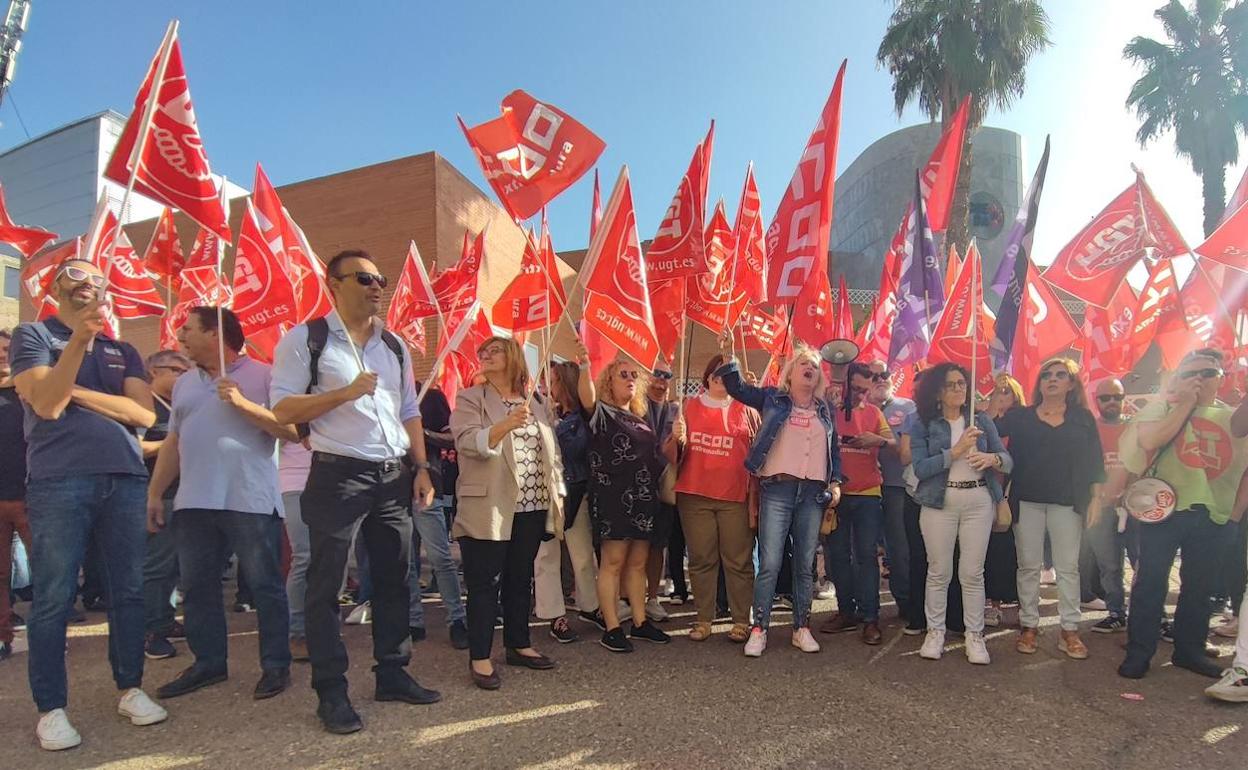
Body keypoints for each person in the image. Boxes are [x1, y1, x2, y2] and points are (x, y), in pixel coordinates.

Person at [271, 250, 439, 735]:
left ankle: (392, 672)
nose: (376, 286)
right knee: (325, 586)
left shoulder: (395, 346)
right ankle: (331, 692)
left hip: (393, 476)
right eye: (365, 278)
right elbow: (282, 408)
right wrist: (342, 393)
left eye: (379, 278)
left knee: (393, 579)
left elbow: (410, 409)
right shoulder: (307, 340)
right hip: (337, 474)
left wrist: (421, 467)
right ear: (334, 283)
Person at [10, 258, 167, 750]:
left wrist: (74, 388)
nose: (91, 283)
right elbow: (47, 405)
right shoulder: (32, 336)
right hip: (60, 481)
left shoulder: (123, 349)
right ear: (54, 287)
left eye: (99, 279)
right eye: (78, 276)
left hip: (124, 479)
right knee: (55, 596)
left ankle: (130, 687)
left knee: (129, 590)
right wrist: (77, 343)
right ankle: (51, 708)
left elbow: (141, 413)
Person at [146, 307, 296, 701]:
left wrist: (244, 405)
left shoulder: (265, 376)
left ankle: (276, 665)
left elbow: (292, 430)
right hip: (194, 501)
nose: (180, 335)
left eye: (189, 328)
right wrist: (155, 493)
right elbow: (173, 443)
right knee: (197, 588)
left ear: (216, 334)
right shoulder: (184, 386)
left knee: (265, 586)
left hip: (250, 500)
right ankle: (208, 663)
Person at [1119, 351, 1248, 679]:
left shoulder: (1233, 419)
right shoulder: (1161, 408)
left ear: (1220, 379)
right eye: (1191, 373)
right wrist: (1186, 404)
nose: (1199, 379)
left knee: (1199, 587)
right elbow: (1151, 439)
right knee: (1150, 582)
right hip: (1162, 511)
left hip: (1212, 514)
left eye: (1208, 373)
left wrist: (1234, 515)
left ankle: (1188, 650)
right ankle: (1140, 652)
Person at [449, 336, 564, 689]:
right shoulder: (471, 398)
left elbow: (551, 452)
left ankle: (518, 644)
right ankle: (480, 657)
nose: (484, 355)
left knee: (519, 578)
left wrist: (556, 492)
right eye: (482, 352)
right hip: (489, 507)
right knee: (485, 583)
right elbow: (467, 442)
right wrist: (504, 425)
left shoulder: (537, 402)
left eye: (493, 350)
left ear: (513, 357)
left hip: (531, 506)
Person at [717, 345, 843, 657]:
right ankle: (759, 628)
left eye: (814, 364)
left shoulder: (825, 410)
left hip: (813, 493)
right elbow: (738, 389)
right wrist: (730, 357)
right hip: (778, 490)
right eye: (803, 362)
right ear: (790, 372)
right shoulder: (772, 398)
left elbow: (834, 449)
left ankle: (802, 628)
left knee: (804, 565)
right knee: (770, 563)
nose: (810, 367)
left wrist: (836, 481)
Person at [998, 358, 1104, 660]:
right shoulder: (1021, 416)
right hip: (1027, 499)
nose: (1052, 379)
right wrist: (997, 392)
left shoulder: (1083, 418)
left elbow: (1095, 461)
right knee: (1028, 565)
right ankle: (1029, 625)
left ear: (1072, 384)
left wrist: (1096, 497)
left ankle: (1069, 630)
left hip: (1068, 501)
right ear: (1039, 382)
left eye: (1060, 375)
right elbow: (990, 425)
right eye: (1047, 375)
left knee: (1067, 567)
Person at [908, 363, 1012, 665]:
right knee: (939, 571)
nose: (959, 389)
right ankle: (935, 632)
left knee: (972, 572)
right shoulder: (924, 424)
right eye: (952, 384)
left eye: (962, 384)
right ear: (937, 391)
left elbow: (1007, 461)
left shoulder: (979, 420)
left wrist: (992, 457)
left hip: (978, 500)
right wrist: (954, 452)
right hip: (939, 502)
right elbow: (921, 467)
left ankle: (974, 636)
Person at [578, 350, 676, 652]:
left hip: (644, 498)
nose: (631, 380)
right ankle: (611, 627)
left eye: (635, 375)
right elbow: (586, 394)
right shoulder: (600, 413)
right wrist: (585, 363)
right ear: (609, 380)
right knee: (613, 562)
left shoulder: (639, 417)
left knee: (637, 563)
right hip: (612, 498)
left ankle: (640, 621)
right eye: (624, 374)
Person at [673, 354, 757, 642]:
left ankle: (741, 620)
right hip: (695, 494)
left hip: (735, 495)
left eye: (728, 370)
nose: (721, 375)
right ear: (707, 377)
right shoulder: (687, 406)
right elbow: (672, 454)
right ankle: (703, 618)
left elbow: (759, 448)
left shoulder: (747, 409)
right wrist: (676, 438)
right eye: (716, 370)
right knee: (701, 559)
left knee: (738, 561)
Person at [820, 362, 894, 645]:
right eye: (856, 389)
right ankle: (845, 612)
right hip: (836, 493)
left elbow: (896, 444)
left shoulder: (875, 413)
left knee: (865, 556)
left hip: (867, 493)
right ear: (845, 384)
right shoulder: (829, 410)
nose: (861, 395)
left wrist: (878, 440)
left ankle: (870, 618)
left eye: (866, 390)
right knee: (837, 555)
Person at [536, 361, 604, 641]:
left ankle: (590, 605)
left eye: (553, 381)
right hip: (546, 491)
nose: (549, 387)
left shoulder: (584, 417)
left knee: (583, 555)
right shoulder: (543, 413)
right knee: (547, 556)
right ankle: (555, 614)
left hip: (576, 491)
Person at [409, 374, 468, 650]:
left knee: (440, 557)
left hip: (427, 486)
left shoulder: (430, 397)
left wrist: (423, 434)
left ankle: (457, 619)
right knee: (405, 562)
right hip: (393, 489)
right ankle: (413, 620)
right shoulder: (384, 397)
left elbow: (451, 438)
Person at [139, 349, 191, 661]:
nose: (183, 375)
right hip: (157, 494)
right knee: (156, 566)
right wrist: (171, 444)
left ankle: (165, 618)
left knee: (173, 565)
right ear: (155, 371)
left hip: (187, 492)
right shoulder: (143, 405)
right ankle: (150, 631)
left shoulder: (177, 405)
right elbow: (131, 446)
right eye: (176, 369)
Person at [867, 359, 914, 624]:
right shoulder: (856, 408)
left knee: (899, 548)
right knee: (863, 550)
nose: (880, 379)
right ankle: (865, 607)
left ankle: (906, 602)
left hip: (897, 487)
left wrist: (882, 441)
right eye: (873, 376)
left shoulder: (908, 407)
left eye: (884, 374)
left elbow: (914, 447)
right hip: (863, 488)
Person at [1084, 378, 1132, 634]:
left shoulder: (1137, 429)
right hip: (1099, 508)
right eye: (1105, 397)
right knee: (1108, 565)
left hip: (1135, 508)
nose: (1112, 401)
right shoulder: (1089, 429)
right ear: (1096, 400)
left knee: (1142, 565)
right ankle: (1116, 612)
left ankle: (1153, 617)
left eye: (1118, 396)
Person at [983, 373, 1025, 627]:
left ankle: (1023, 606)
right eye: (996, 392)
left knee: (1020, 551)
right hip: (988, 491)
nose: (1001, 396)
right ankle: (993, 603)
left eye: (1006, 391)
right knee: (991, 550)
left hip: (1017, 492)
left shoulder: (1023, 421)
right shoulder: (984, 421)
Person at [0, 328, 32, 662]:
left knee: (49, 571)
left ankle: (51, 634)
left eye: (7, 348)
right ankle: (2, 636)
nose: (2, 354)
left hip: (32, 496)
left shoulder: (31, 392)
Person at [644, 361, 685, 618]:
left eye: (666, 376)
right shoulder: (635, 404)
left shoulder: (676, 410)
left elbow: (678, 454)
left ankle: (651, 597)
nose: (660, 380)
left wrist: (680, 438)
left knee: (658, 546)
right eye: (656, 374)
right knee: (633, 548)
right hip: (634, 485)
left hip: (663, 487)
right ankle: (627, 597)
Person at [280, 439, 314, 662]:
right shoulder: (283, 401)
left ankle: (322, 627)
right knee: (304, 556)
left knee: (330, 557)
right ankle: (298, 633)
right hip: (294, 481)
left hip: (335, 477)